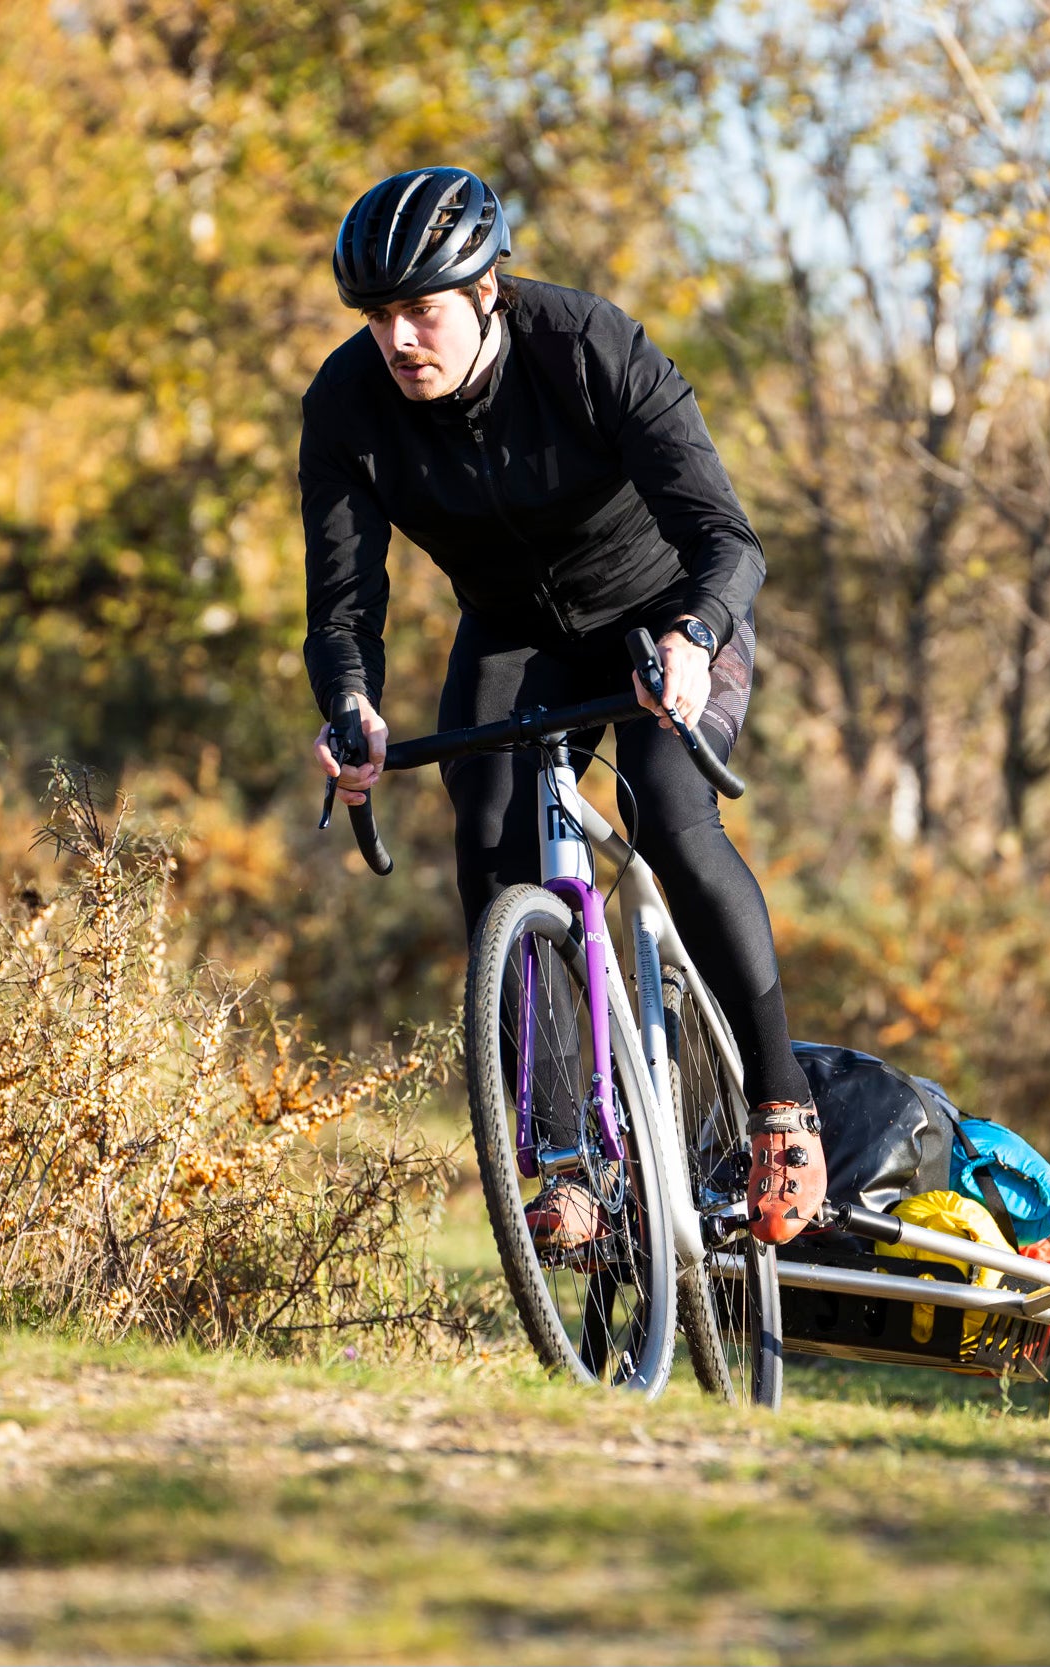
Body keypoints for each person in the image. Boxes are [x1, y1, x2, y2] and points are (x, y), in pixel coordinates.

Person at [301, 166, 824, 1245]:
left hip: (663, 614)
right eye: (379, 316)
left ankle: (780, 1102)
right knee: (491, 851)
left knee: (671, 820)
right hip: (513, 633)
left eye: (421, 310)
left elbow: (730, 541)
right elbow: (343, 603)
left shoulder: (585, 347)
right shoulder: (348, 406)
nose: (399, 339)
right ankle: (567, 1157)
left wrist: (692, 638)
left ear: (485, 290)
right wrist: (349, 707)